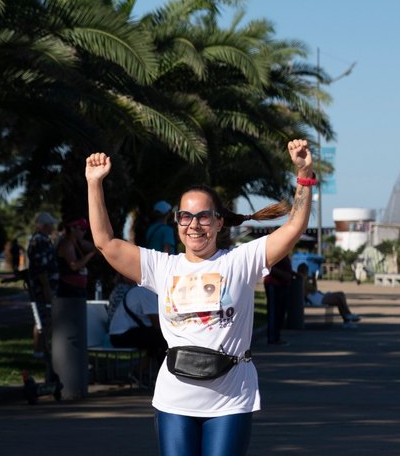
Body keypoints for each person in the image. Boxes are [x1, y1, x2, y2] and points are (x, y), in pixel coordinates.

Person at [85, 139, 313, 456]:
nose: (194, 225)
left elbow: (294, 226)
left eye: (204, 217)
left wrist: (304, 174)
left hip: (230, 397)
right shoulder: (162, 267)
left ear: (219, 222)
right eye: (185, 217)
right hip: (175, 398)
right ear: (177, 222)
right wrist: (94, 184)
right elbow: (106, 243)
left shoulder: (239, 261)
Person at [109, 282, 167, 385]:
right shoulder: (146, 292)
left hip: (121, 334)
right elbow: (156, 321)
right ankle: (162, 377)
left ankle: (139, 372)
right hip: (121, 335)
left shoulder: (142, 290)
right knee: (163, 339)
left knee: (158, 339)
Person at [26, 212, 59, 357]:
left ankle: (42, 349)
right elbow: (41, 268)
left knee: (44, 319)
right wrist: (46, 289)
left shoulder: (43, 239)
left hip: (46, 287)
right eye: (51, 224)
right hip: (43, 288)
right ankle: (40, 350)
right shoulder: (40, 241)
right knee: (43, 319)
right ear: (46, 225)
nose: (53, 227)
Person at [297, 263, 361, 328]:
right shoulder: (303, 280)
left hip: (318, 297)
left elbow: (312, 290)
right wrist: (314, 279)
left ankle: (347, 319)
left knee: (340, 297)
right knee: (339, 296)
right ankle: (348, 315)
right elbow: (314, 289)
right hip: (316, 299)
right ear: (305, 271)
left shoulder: (302, 279)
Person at [56, 218, 96, 299]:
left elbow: (97, 247)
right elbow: (74, 266)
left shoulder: (78, 242)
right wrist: (91, 253)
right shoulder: (67, 244)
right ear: (72, 228)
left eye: (85, 229)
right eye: (82, 229)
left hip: (77, 289)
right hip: (69, 290)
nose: (84, 232)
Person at [263, 254, 293, 344]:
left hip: (283, 285)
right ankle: (272, 338)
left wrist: (292, 274)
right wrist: (284, 275)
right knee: (274, 312)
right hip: (274, 284)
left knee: (280, 312)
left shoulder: (284, 252)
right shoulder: (274, 251)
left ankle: (277, 336)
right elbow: (268, 267)